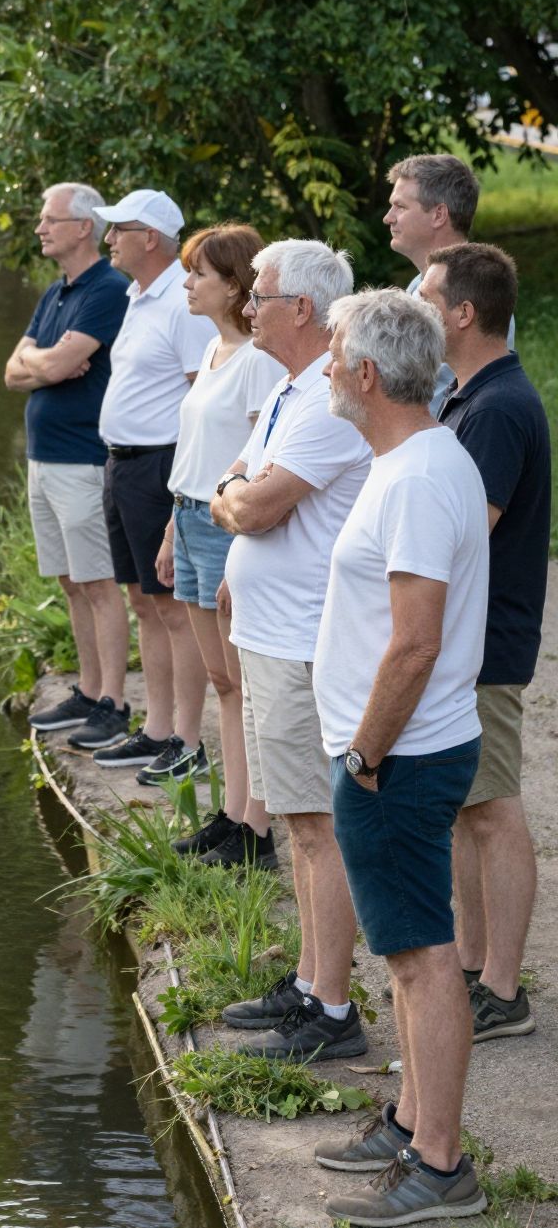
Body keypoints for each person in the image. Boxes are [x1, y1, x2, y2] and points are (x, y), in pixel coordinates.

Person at [311, 286, 490, 1226]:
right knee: (407, 952)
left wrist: (366, 755)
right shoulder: (416, 459)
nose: (327, 369)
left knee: (423, 959)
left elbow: (415, 643)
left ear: (369, 374)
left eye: (335, 355)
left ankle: (442, 1166)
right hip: (405, 753)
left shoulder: (417, 477)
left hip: (400, 759)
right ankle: (414, 1119)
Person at [210, 240, 372, 1058]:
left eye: (260, 296)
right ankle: (311, 981)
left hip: (307, 640)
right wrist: (235, 498)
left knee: (317, 826)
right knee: (300, 823)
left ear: (301, 309)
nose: (247, 308)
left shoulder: (329, 400)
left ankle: (334, 1012)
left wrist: (237, 500)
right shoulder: (288, 389)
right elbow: (230, 485)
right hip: (272, 635)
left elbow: (257, 503)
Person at [421, 241, 551, 1044]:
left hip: (487, 640)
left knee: (496, 809)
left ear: (463, 313)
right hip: (467, 638)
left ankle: (504, 988)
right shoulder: (471, 393)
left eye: (429, 299)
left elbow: (471, 528)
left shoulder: (498, 407)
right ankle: (475, 969)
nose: (419, 310)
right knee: (471, 808)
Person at [149, 223, 282, 865]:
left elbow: (258, 460)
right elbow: (194, 450)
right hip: (190, 517)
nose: (188, 283)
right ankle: (232, 815)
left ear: (235, 285)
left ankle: (257, 827)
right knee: (222, 681)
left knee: (243, 680)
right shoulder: (211, 352)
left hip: (225, 525)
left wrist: (218, 530)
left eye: (199, 273)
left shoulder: (260, 362)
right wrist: (174, 527)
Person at [79, 188, 215, 776]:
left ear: (150, 238)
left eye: (118, 229)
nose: (108, 238)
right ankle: (157, 728)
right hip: (124, 463)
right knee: (143, 601)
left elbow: (200, 394)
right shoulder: (139, 297)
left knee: (173, 606)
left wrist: (182, 487)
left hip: (162, 465)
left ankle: (186, 739)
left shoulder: (182, 306)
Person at [4, 184, 132, 751]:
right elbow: (15, 371)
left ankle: (115, 702)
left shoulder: (108, 289)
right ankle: (86, 687)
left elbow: (55, 364)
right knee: (68, 580)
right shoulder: (58, 292)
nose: (40, 228)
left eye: (50, 219)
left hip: (83, 459)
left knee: (99, 584)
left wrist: (49, 364)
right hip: (43, 461)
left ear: (84, 227)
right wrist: (46, 365)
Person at [383, 152, 514, 409]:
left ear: (439, 215)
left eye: (400, 206)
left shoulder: (477, 294)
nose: (388, 217)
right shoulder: (418, 286)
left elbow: (427, 403)